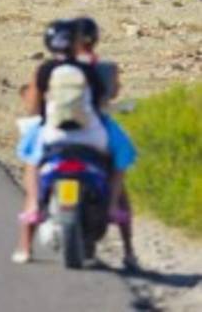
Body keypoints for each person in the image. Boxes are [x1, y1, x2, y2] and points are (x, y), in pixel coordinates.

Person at [12, 20, 108, 263]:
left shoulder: (45, 70)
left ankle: (26, 243)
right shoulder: (88, 70)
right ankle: (114, 209)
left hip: (53, 135)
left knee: (32, 164)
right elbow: (99, 105)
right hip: (89, 136)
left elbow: (33, 107)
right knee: (111, 163)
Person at [74, 16, 138, 269]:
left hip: (64, 128)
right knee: (120, 163)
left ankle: (34, 206)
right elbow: (113, 94)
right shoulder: (107, 68)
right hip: (98, 126)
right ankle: (128, 249)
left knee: (34, 156)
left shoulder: (58, 66)